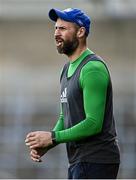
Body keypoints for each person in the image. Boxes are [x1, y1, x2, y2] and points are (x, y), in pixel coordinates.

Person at [25, 8, 120, 179]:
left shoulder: (92, 69)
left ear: (81, 32)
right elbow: (65, 116)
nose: (56, 33)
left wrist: (53, 137)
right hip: (79, 161)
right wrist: (47, 144)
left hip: (97, 160)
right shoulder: (66, 69)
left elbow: (93, 123)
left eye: (62, 29)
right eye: (55, 28)